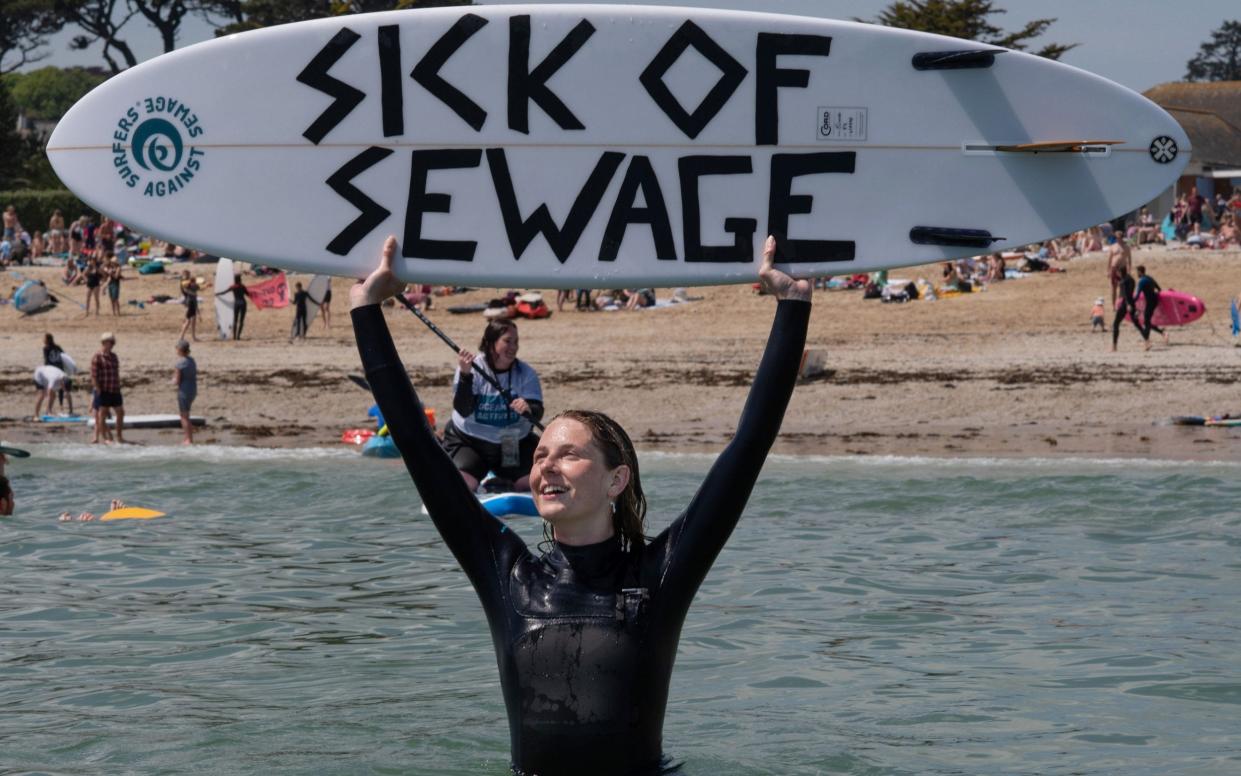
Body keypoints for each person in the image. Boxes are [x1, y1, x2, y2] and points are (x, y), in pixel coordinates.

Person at [350, 234, 809, 776]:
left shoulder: (658, 575)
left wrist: (793, 306)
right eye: (541, 454)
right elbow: (420, 449)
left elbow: (747, 447)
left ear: (617, 480)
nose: (545, 465)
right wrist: (367, 309)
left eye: (569, 455)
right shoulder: (508, 577)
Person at [443, 315, 544, 492]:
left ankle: (505, 481)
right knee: (463, 485)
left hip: (512, 443)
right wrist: (466, 376)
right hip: (470, 441)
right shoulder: (470, 367)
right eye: (507, 341)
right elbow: (463, 409)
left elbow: (538, 411)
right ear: (491, 343)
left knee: (530, 484)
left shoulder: (526, 373)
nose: (514, 347)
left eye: (516, 341)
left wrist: (529, 408)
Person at [90, 332, 125, 444]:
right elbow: (94, 375)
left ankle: (119, 436)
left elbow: (116, 373)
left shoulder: (114, 357)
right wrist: (98, 388)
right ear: (104, 343)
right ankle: (105, 437)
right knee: (102, 414)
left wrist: (118, 385)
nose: (110, 345)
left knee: (120, 412)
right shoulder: (97, 357)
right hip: (104, 389)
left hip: (114, 389)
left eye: (111, 343)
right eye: (108, 342)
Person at [1135, 264, 1167, 350]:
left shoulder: (1141, 281)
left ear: (1140, 272)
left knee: (1146, 322)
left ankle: (1148, 342)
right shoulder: (1150, 278)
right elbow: (1159, 289)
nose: (1136, 274)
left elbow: (1137, 296)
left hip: (1150, 302)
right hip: (1155, 301)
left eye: (1137, 272)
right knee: (1147, 321)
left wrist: (1131, 302)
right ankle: (1161, 333)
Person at [171, 340, 197, 445]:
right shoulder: (192, 360)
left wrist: (170, 382)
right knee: (187, 415)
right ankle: (189, 438)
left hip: (184, 391)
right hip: (193, 389)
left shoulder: (179, 363)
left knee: (184, 416)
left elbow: (177, 381)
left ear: (180, 350)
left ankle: (188, 439)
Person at [43, 333, 75, 415]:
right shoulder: (58, 347)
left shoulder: (46, 348)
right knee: (64, 390)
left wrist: (46, 371)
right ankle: (68, 409)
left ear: (47, 340)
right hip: (61, 370)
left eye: (44, 338)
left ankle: (49, 411)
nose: (43, 340)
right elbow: (64, 357)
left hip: (53, 372)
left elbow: (46, 361)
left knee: (51, 391)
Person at [216, 274, 249, 340]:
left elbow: (224, 292)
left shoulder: (233, 287)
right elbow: (248, 294)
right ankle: (238, 336)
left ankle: (234, 336)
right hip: (243, 303)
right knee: (241, 321)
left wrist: (217, 294)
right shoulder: (242, 286)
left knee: (235, 320)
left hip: (236, 304)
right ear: (240, 279)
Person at [1106, 233, 1132, 306]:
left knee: (1123, 288)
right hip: (1114, 268)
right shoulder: (1113, 247)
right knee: (1114, 288)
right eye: (1116, 238)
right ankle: (1113, 305)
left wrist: (1129, 270)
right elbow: (1109, 259)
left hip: (1123, 268)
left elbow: (1129, 260)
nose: (1118, 239)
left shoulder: (1126, 247)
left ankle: (1121, 304)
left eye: (1119, 237)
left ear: (1122, 237)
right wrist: (1108, 271)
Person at [178, 270, 201, 341]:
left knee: (193, 320)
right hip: (189, 301)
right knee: (188, 321)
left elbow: (197, 287)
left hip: (192, 301)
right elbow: (186, 290)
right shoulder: (184, 282)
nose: (188, 276)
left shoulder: (188, 282)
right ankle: (181, 337)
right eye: (187, 275)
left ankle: (193, 336)